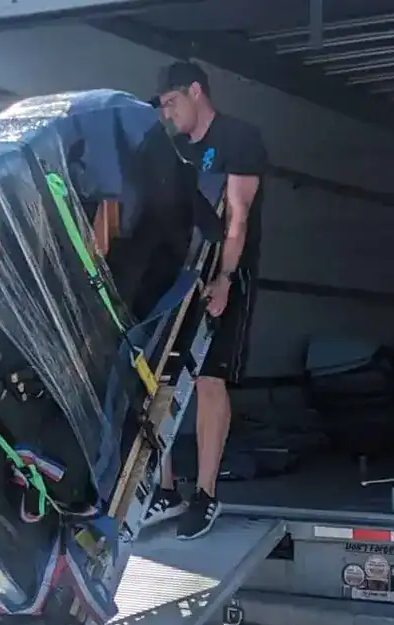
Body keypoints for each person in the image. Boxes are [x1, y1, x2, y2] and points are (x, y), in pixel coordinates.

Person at [144, 60, 268, 540]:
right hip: (180, 278)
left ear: (196, 91)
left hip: (226, 274)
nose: (168, 113)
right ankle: (165, 489)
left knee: (209, 379)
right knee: (160, 378)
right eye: (163, 107)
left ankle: (206, 493)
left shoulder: (239, 139)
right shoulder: (173, 150)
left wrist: (225, 279)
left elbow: (238, 216)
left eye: (172, 103)